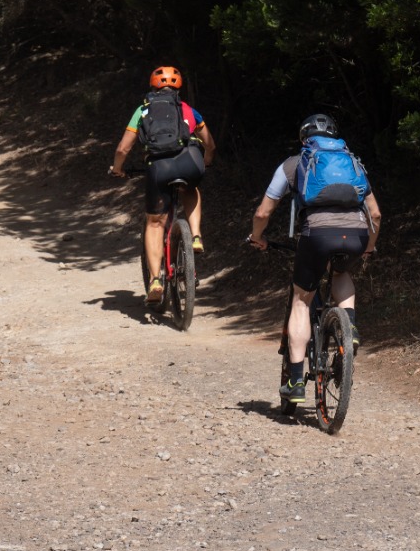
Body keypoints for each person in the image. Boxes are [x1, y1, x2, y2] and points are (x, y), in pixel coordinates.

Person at [247, 113, 381, 403]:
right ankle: (350, 328)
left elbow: (263, 212)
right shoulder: (354, 162)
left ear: (303, 138)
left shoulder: (293, 165)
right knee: (341, 273)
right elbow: (376, 214)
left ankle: (295, 382)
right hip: (356, 235)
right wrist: (369, 246)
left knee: (301, 299)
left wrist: (258, 236)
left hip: (316, 236)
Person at [108, 66, 216, 303]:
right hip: (191, 162)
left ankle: (156, 280)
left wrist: (118, 169)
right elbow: (210, 144)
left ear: (153, 85)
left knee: (155, 223)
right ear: (179, 87)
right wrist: (206, 162)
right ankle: (196, 236)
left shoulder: (143, 110)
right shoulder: (188, 110)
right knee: (191, 187)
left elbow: (122, 148)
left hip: (160, 167)